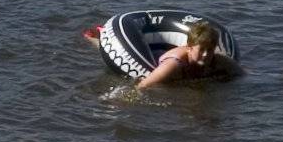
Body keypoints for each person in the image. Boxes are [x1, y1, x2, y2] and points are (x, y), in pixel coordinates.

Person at [82, 14, 239, 88]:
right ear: (189, 47)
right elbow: (142, 86)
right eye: (202, 50)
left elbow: (243, 74)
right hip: (153, 57)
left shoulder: (217, 59)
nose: (206, 55)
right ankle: (95, 37)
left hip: (166, 50)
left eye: (210, 50)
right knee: (113, 47)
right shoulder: (172, 65)